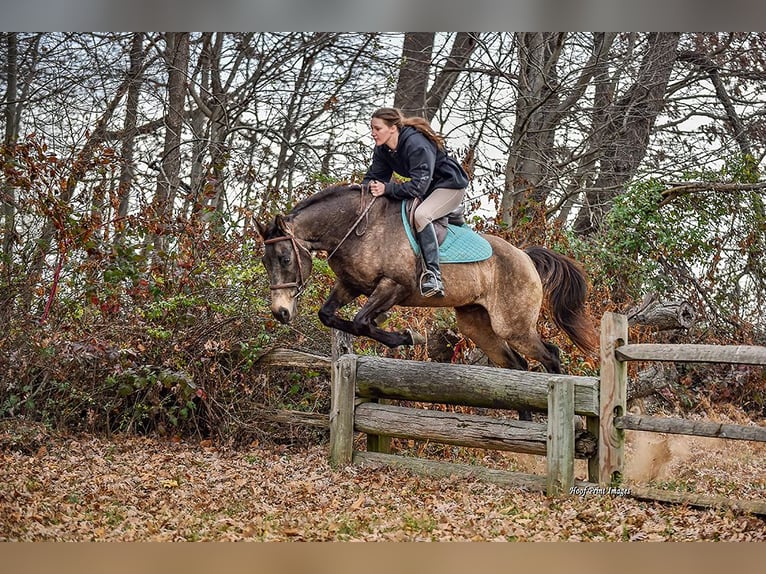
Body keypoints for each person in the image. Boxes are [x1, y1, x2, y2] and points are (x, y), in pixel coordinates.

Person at [362, 107, 469, 297]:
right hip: (427, 190)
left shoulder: (416, 144)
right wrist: (360, 192)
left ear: (393, 128)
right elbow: (374, 177)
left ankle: (433, 276)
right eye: (371, 128)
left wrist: (388, 189)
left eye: (377, 129)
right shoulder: (383, 149)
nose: (373, 133)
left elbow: (417, 187)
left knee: (422, 215)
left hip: (449, 186)